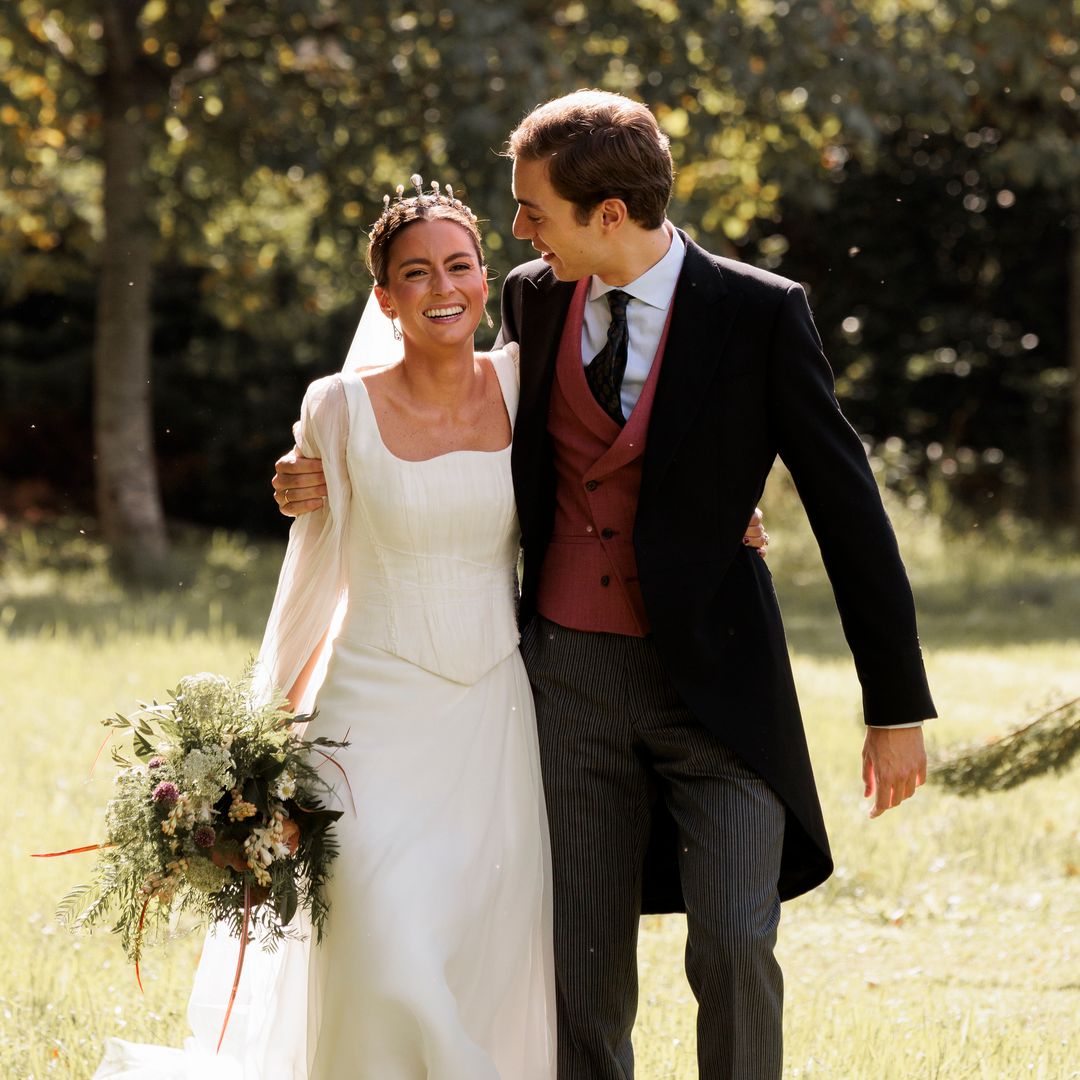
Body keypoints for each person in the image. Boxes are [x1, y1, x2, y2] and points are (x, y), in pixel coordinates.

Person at [274, 91, 935, 1080]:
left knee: (735, 942)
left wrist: (895, 707)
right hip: (566, 681)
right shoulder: (535, 300)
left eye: (531, 209)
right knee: (582, 965)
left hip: (720, 688)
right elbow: (464, 435)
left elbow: (848, 513)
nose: (517, 232)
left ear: (609, 215)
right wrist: (308, 473)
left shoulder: (760, 313)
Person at [96, 183, 556, 1079]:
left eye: (459, 266)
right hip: (367, 720)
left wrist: (725, 515)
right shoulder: (337, 407)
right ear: (384, 297)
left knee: (480, 947)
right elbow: (312, 572)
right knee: (383, 947)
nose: (442, 288)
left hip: (493, 716)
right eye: (415, 273)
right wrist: (258, 736)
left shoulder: (522, 381)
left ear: (485, 276)